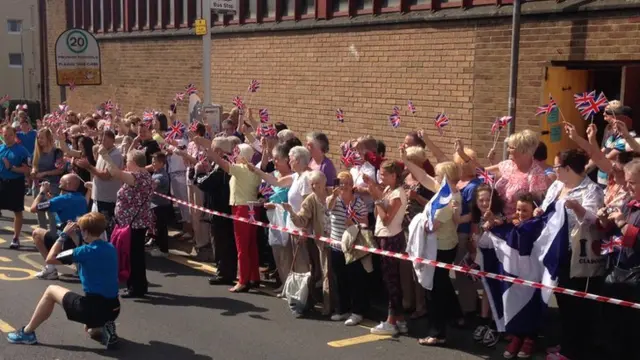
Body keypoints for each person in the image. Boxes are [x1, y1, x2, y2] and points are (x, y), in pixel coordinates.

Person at [6, 212, 120, 348]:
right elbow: (87, 255)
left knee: (51, 291)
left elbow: (50, 258)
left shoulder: (84, 252)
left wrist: (63, 236)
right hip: (113, 308)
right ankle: (105, 326)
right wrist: (76, 238)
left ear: (86, 232)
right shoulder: (110, 248)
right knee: (89, 329)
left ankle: (27, 332)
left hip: (92, 308)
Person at [537, 149, 604, 360]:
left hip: (577, 253)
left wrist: (577, 208)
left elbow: (593, 221)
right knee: (563, 301)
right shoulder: (557, 186)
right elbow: (547, 208)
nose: (554, 171)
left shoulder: (591, 190)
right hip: (555, 251)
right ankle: (566, 343)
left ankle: (572, 350)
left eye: (557, 167)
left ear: (567, 168)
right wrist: (540, 211)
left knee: (577, 304)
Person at [100, 148, 153, 298]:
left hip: (134, 223)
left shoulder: (139, 177)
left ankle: (136, 287)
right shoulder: (142, 176)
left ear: (134, 162)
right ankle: (138, 285)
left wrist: (105, 155)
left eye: (127, 161)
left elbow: (115, 173)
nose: (126, 164)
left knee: (133, 256)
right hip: (132, 222)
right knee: (135, 255)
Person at [365, 160, 408, 336]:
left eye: (383, 174)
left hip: (391, 238)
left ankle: (391, 321)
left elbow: (386, 218)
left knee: (392, 281)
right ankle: (401, 320)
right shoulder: (389, 190)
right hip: (383, 236)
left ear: (393, 176)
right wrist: (377, 193)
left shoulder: (397, 194)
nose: (380, 176)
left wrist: (376, 199)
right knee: (389, 280)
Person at [30, 174, 88, 280]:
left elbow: (33, 208)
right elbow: (61, 205)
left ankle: (50, 269)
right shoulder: (81, 198)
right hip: (78, 241)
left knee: (37, 232)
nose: (58, 183)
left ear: (68, 184)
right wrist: (50, 198)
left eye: (61, 181)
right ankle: (78, 266)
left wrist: (42, 192)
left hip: (64, 244)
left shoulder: (62, 200)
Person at [76, 130, 123, 239]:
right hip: (98, 197)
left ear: (113, 140)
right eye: (100, 139)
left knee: (105, 230)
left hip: (107, 200)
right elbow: (98, 171)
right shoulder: (103, 152)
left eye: (104, 139)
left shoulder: (115, 155)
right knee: (97, 229)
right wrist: (93, 184)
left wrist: (88, 166)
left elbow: (106, 175)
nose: (101, 142)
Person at [0, 125, 31, 249]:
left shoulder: (21, 151)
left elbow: (27, 169)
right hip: (1, 182)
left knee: (17, 211)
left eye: (10, 135)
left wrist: (11, 168)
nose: (7, 137)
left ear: (15, 135)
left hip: (15, 183)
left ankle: (16, 238)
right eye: (5, 135)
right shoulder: (1, 148)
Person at [31, 128, 66, 232]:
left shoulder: (57, 152)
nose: (39, 140)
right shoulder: (38, 151)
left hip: (53, 186)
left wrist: (45, 173)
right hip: (38, 185)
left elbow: (60, 170)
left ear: (49, 138)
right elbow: (35, 165)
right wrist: (34, 171)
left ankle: (53, 237)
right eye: (38, 138)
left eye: (42, 138)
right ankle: (43, 235)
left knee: (51, 213)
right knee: (40, 212)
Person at [150, 152, 172, 257]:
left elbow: (155, 184)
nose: (153, 164)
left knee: (161, 229)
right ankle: (158, 246)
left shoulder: (162, 175)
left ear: (162, 163)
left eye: (155, 162)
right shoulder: (155, 172)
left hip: (161, 206)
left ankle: (163, 250)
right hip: (155, 205)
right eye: (152, 161)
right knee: (157, 228)